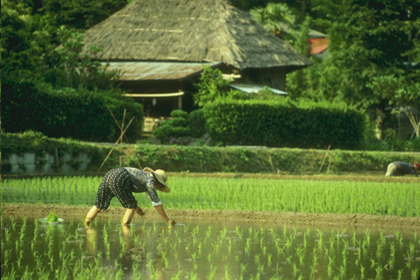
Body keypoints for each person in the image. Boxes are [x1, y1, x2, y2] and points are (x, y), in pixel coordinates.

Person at [84, 167, 176, 226]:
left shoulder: (146, 177)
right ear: (159, 182)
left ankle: (86, 225)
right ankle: (125, 229)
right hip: (121, 177)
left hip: (110, 174)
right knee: (130, 206)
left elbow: (127, 193)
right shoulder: (151, 182)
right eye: (160, 185)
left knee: (98, 205)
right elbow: (156, 203)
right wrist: (167, 220)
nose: (159, 188)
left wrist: (137, 208)